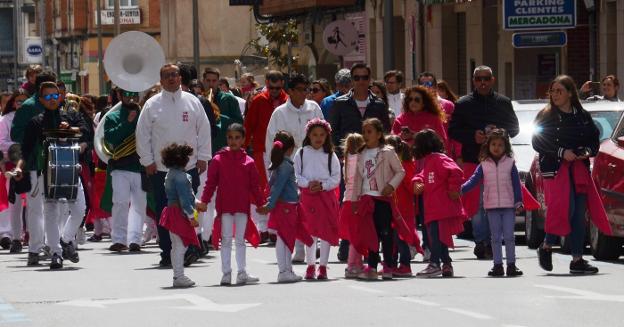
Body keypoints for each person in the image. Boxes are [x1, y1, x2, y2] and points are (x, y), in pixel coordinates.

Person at [533, 75, 610, 275]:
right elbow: (538, 141)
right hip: (556, 168)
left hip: (578, 168)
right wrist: (561, 152)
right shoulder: (546, 115)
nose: (555, 95)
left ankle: (577, 259)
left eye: (560, 91)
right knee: (564, 208)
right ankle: (547, 245)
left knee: (578, 214)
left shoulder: (582, 115)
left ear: (570, 93)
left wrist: (587, 151)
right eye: (553, 91)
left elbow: (594, 139)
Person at [136, 64, 212, 267]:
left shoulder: (193, 102)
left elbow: (204, 130)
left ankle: (190, 247)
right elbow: (142, 135)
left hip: (189, 167)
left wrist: (204, 156)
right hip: (161, 169)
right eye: (167, 76)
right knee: (165, 211)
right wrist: (147, 161)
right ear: (161, 80)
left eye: (175, 75)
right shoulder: (152, 105)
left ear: (180, 78)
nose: (172, 78)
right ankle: (167, 252)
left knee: (189, 208)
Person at [15, 82, 89, 269]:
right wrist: (19, 168)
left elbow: (86, 131)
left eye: (55, 96)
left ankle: (65, 239)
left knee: (80, 209)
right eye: (47, 97)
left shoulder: (71, 115)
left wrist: (71, 129)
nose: (52, 100)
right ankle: (56, 252)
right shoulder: (36, 122)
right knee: (50, 213)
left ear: (60, 97)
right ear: (41, 100)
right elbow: (26, 150)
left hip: (72, 170)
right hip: (46, 172)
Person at [448, 65, 519, 259]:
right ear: (473, 81)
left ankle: (496, 240)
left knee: (499, 202)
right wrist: (473, 136)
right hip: (474, 159)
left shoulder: (503, 103)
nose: (483, 82)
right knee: (478, 204)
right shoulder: (463, 104)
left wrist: (499, 134)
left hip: (501, 161)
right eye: (478, 79)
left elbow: (515, 128)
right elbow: (453, 130)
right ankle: (482, 242)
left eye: (486, 78)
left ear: (493, 80)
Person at [265, 73, 323, 261]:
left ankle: (312, 244)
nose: (304, 94)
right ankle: (298, 247)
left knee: (313, 205)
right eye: (299, 90)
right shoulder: (280, 113)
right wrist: (275, 167)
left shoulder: (314, 108)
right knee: (295, 206)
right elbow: (272, 143)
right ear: (289, 91)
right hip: (289, 166)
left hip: (312, 162)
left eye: (306, 89)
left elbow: (323, 132)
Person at [197, 124, 263, 286]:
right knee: (226, 239)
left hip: (242, 208)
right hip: (225, 208)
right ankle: (226, 273)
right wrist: (204, 201)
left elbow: (255, 186)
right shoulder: (218, 160)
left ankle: (242, 272)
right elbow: (210, 184)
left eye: (237, 137)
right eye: (230, 137)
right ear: (226, 138)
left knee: (240, 240)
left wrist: (262, 203)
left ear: (243, 140)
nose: (233, 141)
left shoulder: (249, 162)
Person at [461, 129, 523, 277]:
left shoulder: (510, 163)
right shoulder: (483, 164)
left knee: (509, 236)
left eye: (500, 145)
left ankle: (511, 265)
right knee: (495, 238)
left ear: (506, 147)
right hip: (491, 207)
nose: (496, 147)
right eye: (493, 144)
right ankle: (497, 265)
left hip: (508, 206)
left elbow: (516, 184)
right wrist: (460, 190)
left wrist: (518, 202)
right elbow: (473, 181)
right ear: (488, 146)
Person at [351, 118, 405, 281]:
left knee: (386, 233)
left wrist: (391, 185)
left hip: (382, 199)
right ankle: (372, 266)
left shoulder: (387, 152)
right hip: (367, 200)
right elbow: (357, 178)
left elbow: (400, 171)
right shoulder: (361, 153)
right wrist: (354, 199)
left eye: (369, 132)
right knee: (371, 235)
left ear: (379, 134)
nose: (366, 135)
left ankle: (388, 265)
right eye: (364, 131)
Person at [256, 131, 313, 283]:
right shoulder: (286, 166)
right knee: (286, 239)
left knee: (284, 238)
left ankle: (287, 269)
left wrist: (268, 202)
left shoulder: (277, 164)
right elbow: (278, 187)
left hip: (284, 206)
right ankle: (284, 270)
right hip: (286, 206)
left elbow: (271, 185)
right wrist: (269, 204)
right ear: (290, 148)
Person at [412, 129, 466, 277]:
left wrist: (453, 189)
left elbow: (456, 171)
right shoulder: (430, 160)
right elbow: (422, 175)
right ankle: (446, 264)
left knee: (436, 237)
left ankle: (435, 263)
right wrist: (417, 182)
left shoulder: (439, 158)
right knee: (439, 237)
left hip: (440, 207)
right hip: (434, 208)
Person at [293, 118, 340, 280]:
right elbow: (296, 175)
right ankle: (311, 265)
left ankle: (323, 267)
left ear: (327, 136)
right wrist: (307, 184)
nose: (318, 138)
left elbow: (336, 178)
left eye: (322, 135)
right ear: (309, 135)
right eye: (315, 135)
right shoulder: (301, 153)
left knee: (325, 233)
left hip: (326, 197)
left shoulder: (330, 155)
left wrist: (323, 185)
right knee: (310, 232)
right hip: (308, 198)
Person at [104, 91, 146, 253]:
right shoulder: (112, 117)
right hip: (120, 166)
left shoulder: (144, 114)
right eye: (127, 95)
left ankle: (135, 239)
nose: (131, 98)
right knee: (120, 202)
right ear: (120, 96)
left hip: (140, 166)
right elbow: (110, 138)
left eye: (134, 95)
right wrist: (128, 122)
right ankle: (119, 239)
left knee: (139, 204)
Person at [158, 143, 200, 288]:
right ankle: (179, 276)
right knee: (180, 246)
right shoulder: (181, 176)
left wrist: (197, 204)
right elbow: (185, 199)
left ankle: (178, 275)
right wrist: (192, 217)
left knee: (176, 246)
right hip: (179, 214)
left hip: (171, 212)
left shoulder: (170, 174)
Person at [329, 63, 391, 157]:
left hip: (374, 156)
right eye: (357, 78)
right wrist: (343, 151)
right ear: (352, 80)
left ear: (369, 79)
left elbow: (385, 131)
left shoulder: (379, 104)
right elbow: (333, 132)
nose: (361, 81)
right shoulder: (339, 103)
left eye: (364, 77)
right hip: (348, 155)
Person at [385, 135, 422, 277]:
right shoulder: (391, 166)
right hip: (391, 206)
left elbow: (410, 184)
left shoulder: (405, 166)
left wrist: (415, 186)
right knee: (392, 238)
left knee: (401, 238)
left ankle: (405, 265)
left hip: (403, 208)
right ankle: (392, 264)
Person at [0, 89, 29, 253]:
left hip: (31, 165)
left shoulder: (33, 118)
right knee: (15, 205)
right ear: (13, 103)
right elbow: (2, 142)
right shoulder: (5, 120)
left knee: (33, 205)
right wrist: (17, 148)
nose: (22, 104)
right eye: (18, 101)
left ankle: (31, 235)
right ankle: (16, 238)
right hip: (13, 165)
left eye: (25, 101)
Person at [339, 133, 365, 278]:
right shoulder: (361, 159)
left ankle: (356, 263)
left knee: (353, 236)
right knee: (358, 237)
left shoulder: (347, 160)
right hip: (358, 201)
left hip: (347, 201)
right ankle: (352, 265)